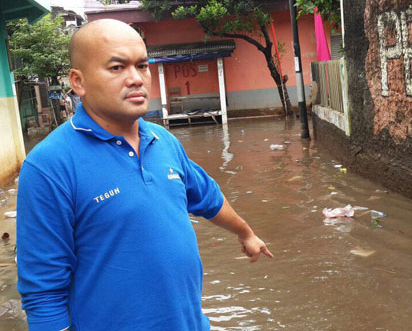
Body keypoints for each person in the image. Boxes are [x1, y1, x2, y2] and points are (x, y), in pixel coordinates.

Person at [16, 19, 273, 331]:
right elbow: (43, 292)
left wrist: (245, 233)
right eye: (117, 68)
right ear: (78, 81)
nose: (135, 79)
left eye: (142, 65)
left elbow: (207, 197)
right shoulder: (49, 166)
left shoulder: (164, 141)